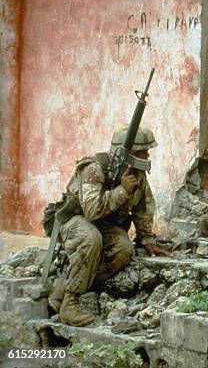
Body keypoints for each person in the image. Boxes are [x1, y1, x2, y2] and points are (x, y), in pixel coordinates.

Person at [48, 126, 170, 326]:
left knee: (124, 249)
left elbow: (143, 206)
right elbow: (91, 210)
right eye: (143, 151)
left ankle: (64, 286)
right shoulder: (94, 169)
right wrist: (122, 190)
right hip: (75, 221)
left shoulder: (137, 175)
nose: (147, 155)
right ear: (129, 153)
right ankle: (69, 304)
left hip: (104, 225)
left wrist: (147, 238)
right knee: (91, 238)